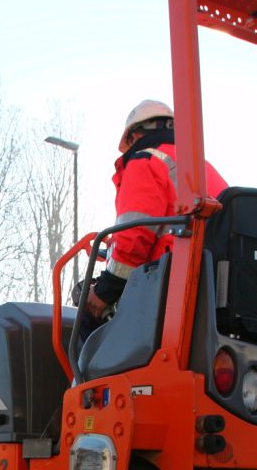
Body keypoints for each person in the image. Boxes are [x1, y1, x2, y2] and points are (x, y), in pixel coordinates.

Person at [84, 99, 228, 325]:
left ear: (135, 136)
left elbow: (135, 235)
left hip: (171, 290)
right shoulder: (201, 167)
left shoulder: (146, 160)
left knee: (89, 326)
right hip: (215, 287)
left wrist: (105, 291)